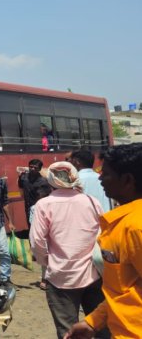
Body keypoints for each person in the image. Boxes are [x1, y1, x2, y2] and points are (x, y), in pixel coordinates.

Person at [66, 143, 142, 339]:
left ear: (127, 180)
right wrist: (93, 321)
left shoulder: (135, 227)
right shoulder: (122, 222)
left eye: (106, 173)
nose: (100, 177)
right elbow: (125, 291)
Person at [30, 162, 107, 338]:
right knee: (101, 327)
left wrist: (46, 262)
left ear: (51, 179)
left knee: (67, 331)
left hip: (60, 277)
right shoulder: (91, 201)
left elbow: (36, 242)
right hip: (93, 275)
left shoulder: (44, 205)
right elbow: (104, 234)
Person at [19, 159, 52, 225]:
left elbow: (41, 198)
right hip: (27, 208)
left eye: (35, 167)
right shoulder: (24, 178)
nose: (33, 169)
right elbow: (20, 186)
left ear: (39, 169)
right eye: (31, 167)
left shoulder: (43, 182)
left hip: (38, 209)